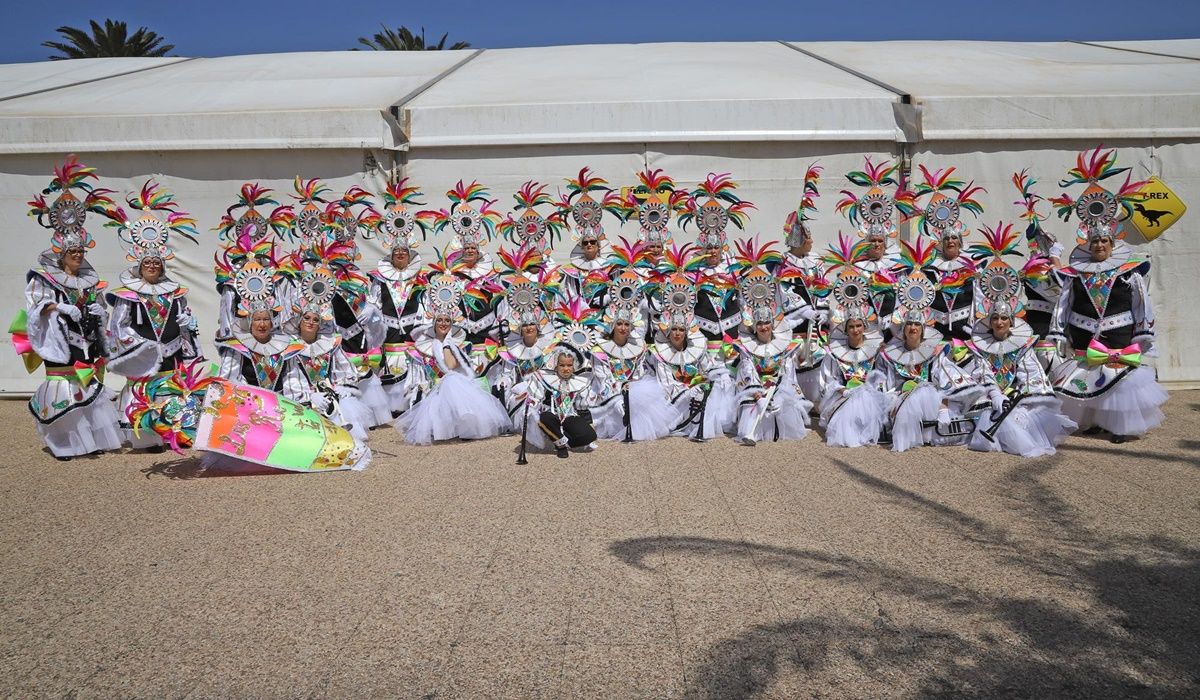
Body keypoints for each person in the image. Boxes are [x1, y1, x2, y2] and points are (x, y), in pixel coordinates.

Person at [1045, 147, 1166, 443]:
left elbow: (1141, 304)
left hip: (1118, 333)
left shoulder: (1130, 270)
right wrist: (1059, 334)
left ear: (1112, 243)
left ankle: (1119, 426)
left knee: (1119, 379)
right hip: (1085, 334)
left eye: (1103, 241)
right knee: (1090, 376)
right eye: (1095, 241)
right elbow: (1063, 301)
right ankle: (1096, 421)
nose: (1099, 245)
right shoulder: (1076, 274)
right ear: (1088, 244)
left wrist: (1143, 335)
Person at [21, 156, 123, 460]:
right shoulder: (45, 278)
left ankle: (88, 440)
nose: (78, 256)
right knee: (63, 388)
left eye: (80, 251)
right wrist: (60, 309)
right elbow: (35, 305)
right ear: (62, 255)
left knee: (88, 387)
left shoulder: (90, 280)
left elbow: (100, 306)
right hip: (59, 341)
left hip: (85, 342)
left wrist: (98, 313)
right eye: (73, 252)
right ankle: (63, 442)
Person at [104, 180, 204, 450]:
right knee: (143, 392)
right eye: (147, 263)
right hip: (143, 354)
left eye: (156, 263)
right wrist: (139, 345)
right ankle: (144, 437)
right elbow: (118, 326)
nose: (151, 266)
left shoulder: (174, 293)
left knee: (169, 390)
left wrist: (187, 325)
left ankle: (170, 433)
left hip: (171, 353)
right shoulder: (129, 295)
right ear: (139, 266)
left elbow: (186, 320)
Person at [395, 273, 511, 444]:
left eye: (447, 321)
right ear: (433, 324)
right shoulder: (430, 344)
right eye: (439, 320)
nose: (443, 323)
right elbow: (438, 369)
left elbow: (451, 365)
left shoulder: (455, 344)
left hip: (458, 383)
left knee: (452, 381)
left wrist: (448, 344)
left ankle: (465, 423)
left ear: (452, 324)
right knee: (446, 384)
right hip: (439, 385)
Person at [964, 302, 1076, 457]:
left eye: (1004, 318)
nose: (999, 322)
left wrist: (1021, 394)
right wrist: (995, 395)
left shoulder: (1022, 345)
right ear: (989, 321)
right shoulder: (978, 345)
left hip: (1013, 394)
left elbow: (1031, 372)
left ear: (1011, 321)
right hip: (988, 394)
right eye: (995, 318)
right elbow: (983, 373)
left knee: (1023, 415)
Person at [875, 310, 986, 452]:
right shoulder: (888, 355)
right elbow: (886, 384)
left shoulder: (934, 353)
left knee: (928, 393)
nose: (913, 328)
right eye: (909, 324)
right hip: (901, 397)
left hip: (931, 400)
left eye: (917, 324)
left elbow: (946, 379)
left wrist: (944, 408)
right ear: (903, 328)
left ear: (923, 329)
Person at [729, 256, 812, 445]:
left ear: (773, 324)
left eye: (767, 323)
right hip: (757, 391)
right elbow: (747, 372)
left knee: (782, 406)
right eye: (760, 324)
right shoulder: (747, 348)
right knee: (753, 408)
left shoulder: (786, 346)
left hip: (778, 389)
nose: (764, 327)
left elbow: (788, 374)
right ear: (754, 326)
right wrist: (757, 392)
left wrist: (779, 392)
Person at [291, 267, 375, 441]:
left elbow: (347, 371)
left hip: (332, 398)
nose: (311, 323)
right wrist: (309, 396)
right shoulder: (290, 348)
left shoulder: (331, 344)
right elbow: (289, 380)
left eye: (316, 320)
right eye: (306, 318)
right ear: (299, 321)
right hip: (303, 401)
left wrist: (341, 388)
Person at [370, 179, 430, 415]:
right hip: (390, 339)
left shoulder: (421, 279)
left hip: (413, 338)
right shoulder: (379, 280)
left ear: (410, 254)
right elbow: (373, 307)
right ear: (391, 255)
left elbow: (425, 306)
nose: (401, 255)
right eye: (397, 252)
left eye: (404, 252)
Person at [649, 275, 735, 441]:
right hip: (674, 401)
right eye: (673, 329)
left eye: (681, 330)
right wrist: (690, 390)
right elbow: (666, 385)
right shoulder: (660, 354)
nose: (677, 333)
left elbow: (708, 368)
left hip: (696, 395)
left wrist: (716, 377)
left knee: (721, 384)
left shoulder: (698, 348)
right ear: (667, 332)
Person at [911, 165, 985, 343]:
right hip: (936, 330)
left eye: (954, 238)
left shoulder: (973, 267)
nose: (950, 241)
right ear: (941, 243)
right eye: (946, 239)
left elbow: (982, 299)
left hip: (965, 329)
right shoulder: (929, 268)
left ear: (960, 242)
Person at [589, 299, 675, 443]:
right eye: (619, 324)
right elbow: (602, 379)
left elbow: (639, 373)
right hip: (608, 392)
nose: (623, 328)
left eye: (627, 324)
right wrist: (617, 394)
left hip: (632, 388)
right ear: (612, 325)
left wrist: (632, 385)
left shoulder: (638, 347)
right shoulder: (600, 350)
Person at [215, 267, 307, 400]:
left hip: (282, 407)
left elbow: (293, 381)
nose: (262, 324)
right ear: (250, 322)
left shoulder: (286, 347)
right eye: (257, 319)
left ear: (272, 322)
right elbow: (229, 380)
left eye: (266, 319)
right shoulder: (237, 348)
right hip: (247, 404)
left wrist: (299, 400)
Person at [779, 164, 830, 404]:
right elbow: (787, 293)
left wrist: (823, 308)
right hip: (798, 325)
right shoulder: (784, 265)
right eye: (807, 236)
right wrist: (805, 311)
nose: (811, 240)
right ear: (798, 239)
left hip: (819, 324)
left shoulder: (816, 261)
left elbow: (823, 286)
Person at [513, 344, 599, 458]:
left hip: (569, 415)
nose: (566, 369)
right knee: (544, 418)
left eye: (569, 365)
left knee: (590, 435)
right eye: (562, 365)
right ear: (556, 365)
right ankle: (560, 445)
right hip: (550, 414)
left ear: (574, 366)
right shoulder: (545, 378)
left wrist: (589, 398)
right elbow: (535, 397)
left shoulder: (579, 382)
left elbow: (582, 404)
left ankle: (563, 439)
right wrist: (532, 402)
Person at [817, 312, 889, 448]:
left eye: (858, 326)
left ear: (864, 327)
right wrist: (843, 391)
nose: (855, 330)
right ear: (845, 329)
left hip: (869, 395)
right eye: (851, 326)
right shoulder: (834, 353)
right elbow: (829, 379)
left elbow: (881, 376)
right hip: (843, 395)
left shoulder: (876, 351)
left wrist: (870, 389)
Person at [555, 167, 617, 305]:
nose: (589, 244)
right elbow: (570, 292)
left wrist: (608, 298)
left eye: (593, 242)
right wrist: (581, 306)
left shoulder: (609, 267)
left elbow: (618, 288)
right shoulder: (574, 271)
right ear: (581, 246)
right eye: (585, 243)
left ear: (598, 245)